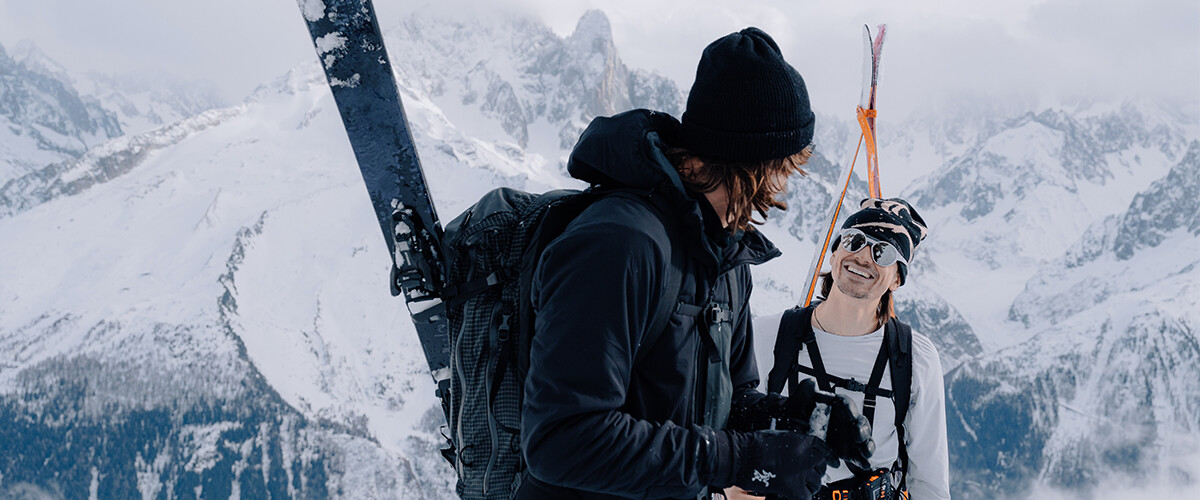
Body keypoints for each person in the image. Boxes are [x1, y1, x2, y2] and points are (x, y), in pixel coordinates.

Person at [518, 28, 872, 499]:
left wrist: (793, 419)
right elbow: (560, 439)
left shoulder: (726, 256)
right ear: (759, 159)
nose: (788, 182)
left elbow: (727, 405)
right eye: (788, 165)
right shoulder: (620, 245)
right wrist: (740, 460)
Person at [748, 198, 950, 500]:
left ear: (897, 278)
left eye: (884, 252)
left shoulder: (913, 358)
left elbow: (928, 479)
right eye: (855, 241)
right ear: (834, 254)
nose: (864, 257)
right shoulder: (769, 334)